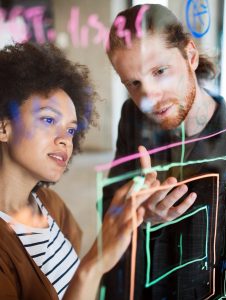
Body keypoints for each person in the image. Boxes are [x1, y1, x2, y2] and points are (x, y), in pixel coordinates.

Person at [102, 4, 226, 299]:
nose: (149, 98)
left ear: (191, 55)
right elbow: (109, 203)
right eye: (134, 83)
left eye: (160, 71)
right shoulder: (133, 117)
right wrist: (139, 215)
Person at [0, 41, 160, 300]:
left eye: (71, 129)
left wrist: (137, 220)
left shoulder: (51, 205)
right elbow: (86, 275)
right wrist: (93, 265)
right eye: (49, 120)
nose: (65, 139)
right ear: (3, 127)